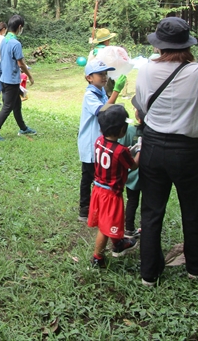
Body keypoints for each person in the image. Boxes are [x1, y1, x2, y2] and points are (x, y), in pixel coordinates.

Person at [133, 17, 198, 286]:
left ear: (159, 44)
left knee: (151, 210)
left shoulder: (146, 70)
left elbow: (141, 108)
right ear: (187, 43)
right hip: (189, 150)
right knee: (193, 209)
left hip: (154, 146)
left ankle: (149, 273)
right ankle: (196, 267)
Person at [89, 104, 140, 268]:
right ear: (121, 130)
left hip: (98, 189)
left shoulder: (98, 141)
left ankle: (119, 243)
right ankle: (97, 258)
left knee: (109, 221)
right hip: (111, 194)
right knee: (105, 227)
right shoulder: (121, 151)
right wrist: (139, 151)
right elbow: (133, 166)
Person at [77, 60, 126, 222]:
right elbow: (101, 112)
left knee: (99, 175)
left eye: (106, 74)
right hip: (90, 143)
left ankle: (97, 205)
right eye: (100, 74)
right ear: (89, 78)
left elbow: (107, 106)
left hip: (98, 142)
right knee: (88, 176)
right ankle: (84, 208)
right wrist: (116, 92)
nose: (104, 77)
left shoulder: (101, 92)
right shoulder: (90, 94)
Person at [0, 15, 36, 141]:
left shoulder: (4, 41)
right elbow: (21, 64)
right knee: (7, 107)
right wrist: (30, 76)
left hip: (3, 78)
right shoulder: (15, 43)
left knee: (17, 105)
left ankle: (23, 128)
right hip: (11, 81)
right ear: (19, 27)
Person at [119, 97, 145, 238]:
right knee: (148, 203)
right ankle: (147, 227)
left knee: (132, 201)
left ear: (138, 116)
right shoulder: (153, 131)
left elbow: (122, 148)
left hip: (132, 175)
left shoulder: (129, 130)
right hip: (150, 175)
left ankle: (129, 229)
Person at [88, 28, 118, 95]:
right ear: (106, 41)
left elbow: (88, 67)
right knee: (107, 100)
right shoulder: (108, 51)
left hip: (94, 80)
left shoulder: (93, 52)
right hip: (106, 79)